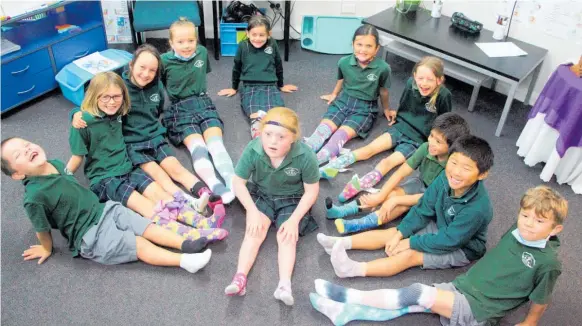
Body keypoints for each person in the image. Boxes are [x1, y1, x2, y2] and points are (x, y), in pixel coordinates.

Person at [310, 185, 568, 326]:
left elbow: (541, 299)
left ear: (555, 228)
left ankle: (349, 296)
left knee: (417, 293)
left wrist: (530, 323)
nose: (528, 224)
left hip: (480, 309)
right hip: (464, 285)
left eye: (540, 220)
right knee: (414, 305)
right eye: (525, 215)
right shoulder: (517, 229)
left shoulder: (548, 262)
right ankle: (347, 313)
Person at [1, 137, 213, 273]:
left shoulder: (55, 164)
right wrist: (46, 248)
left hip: (105, 209)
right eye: (19, 154)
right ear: (18, 174)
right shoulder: (33, 197)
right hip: (89, 234)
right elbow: (42, 228)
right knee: (137, 244)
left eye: (27, 144)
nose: (27, 149)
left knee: (145, 226)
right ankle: (184, 261)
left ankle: (185, 243)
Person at [67, 72, 228, 242]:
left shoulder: (118, 112)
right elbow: (77, 157)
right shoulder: (82, 122)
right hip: (106, 178)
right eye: (105, 97)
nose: (112, 101)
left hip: (127, 167)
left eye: (116, 96)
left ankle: (202, 222)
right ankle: (191, 235)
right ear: (95, 96)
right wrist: (65, 176)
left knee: (163, 195)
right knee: (148, 207)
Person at [317, 135, 494, 278]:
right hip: (443, 224)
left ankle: (353, 269)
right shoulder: (444, 179)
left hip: (463, 246)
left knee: (409, 255)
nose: (456, 172)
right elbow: (424, 207)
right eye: (453, 163)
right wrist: (402, 233)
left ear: (482, 174)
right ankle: (339, 242)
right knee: (394, 232)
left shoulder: (477, 208)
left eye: (466, 168)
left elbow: (449, 241)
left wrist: (410, 242)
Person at [71, 44, 222, 209]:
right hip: (133, 144)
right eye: (142, 67)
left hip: (155, 136)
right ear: (131, 65)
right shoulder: (119, 87)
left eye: (152, 70)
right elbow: (92, 101)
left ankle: (207, 194)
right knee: (159, 176)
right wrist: (75, 113)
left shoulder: (157, 86)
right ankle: (190, 202)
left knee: (176, 168)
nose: (146, 74)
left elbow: (158, 110)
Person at [320, 56, 452, 203]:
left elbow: (444, 122)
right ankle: (330, 167)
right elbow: (405, 104)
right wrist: (398, 116)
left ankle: (358, 186)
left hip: (417, 141)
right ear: (415, 76)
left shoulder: (444, 96)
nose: (424, 83)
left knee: (386, 163)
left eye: (430, 80)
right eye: (421, 78)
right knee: (368, 149)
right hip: (400, 127)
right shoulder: (410, 84)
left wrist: (433, 142)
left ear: (439, 80)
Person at [224, 107, 319, 306]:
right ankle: (239, 279)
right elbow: (238, 182)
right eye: (267, 134)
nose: (272, 141)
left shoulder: (306, 155)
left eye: (281, 137)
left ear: (293, 138)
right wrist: (252, 211)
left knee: (286, 237)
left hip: (292, 199)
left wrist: (294, 220)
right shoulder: (253, 149)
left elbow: (311, 191)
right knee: (254, 232)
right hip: (262, 194)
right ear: (260, 133)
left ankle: (284, 285)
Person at [327, 112, 470, 234]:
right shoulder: (426, 147)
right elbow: (401, 172)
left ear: (452, 147)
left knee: (399, 205)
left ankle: (356, 225)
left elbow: (429, 197)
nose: (431, 142)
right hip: (420, 183)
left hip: (436, 199)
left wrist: (396, 200)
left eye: (438, 141)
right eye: (431, 136)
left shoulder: (453, 168)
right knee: (390, 194)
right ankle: (343, 211)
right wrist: (381, 195)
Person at [161, 17, 236, 203]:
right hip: (179, 108)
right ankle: (215, 185)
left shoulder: (202, 52)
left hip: (203, 102)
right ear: (171, 43)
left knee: (216, 144)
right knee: (199, 148)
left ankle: (232, 182)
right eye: (180, 42)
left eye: (191, 40)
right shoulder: (163, 61)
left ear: (197, 40)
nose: (187, 46)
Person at [303, 24, 392, 166]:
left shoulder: (384, 68)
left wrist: (386, 109)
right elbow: (341, 79)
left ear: (377, 49)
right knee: (321, 132)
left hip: (365, 109)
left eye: (369, 46)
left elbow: (383, 91)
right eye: (359, 44)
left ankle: (312, 165)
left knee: (338, 137)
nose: (363, 49)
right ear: (352, 44)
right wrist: (334, 94)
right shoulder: (343, 62)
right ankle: (300, 158)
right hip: (343, 101)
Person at [218, 15, 297, 139]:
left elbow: (278, 65)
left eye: (261, 35)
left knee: (277, 113)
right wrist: (234, 87)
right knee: (256, 115)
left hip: (270, 85)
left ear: (269, 34)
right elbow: (237, 67)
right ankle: (260, 139)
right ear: (247, 33)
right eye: (254, 34)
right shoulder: (243, 46)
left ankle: (280, 138)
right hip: (249, 86)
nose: (257, 39)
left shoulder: (273, 44)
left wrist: (281, 85)